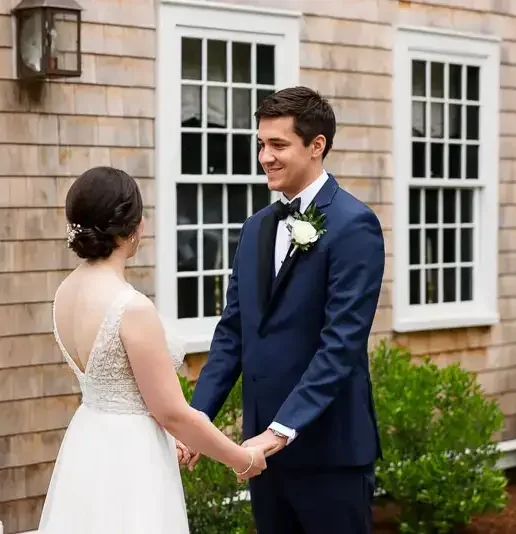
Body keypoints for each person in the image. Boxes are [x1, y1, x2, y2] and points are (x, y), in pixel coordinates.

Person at [180, 86, 385, 533]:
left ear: (317, 146)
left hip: (329, 453)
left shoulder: (355, 225)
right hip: (261, 457)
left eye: (278, 144)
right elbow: (233, 331)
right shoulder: (255, 229)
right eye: (260, 143)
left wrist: (281, 430)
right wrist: (196, 420)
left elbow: (341, 344)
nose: (265, 156)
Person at [38, 166, 272, 534]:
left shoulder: (64, 292)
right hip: (132, 456)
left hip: (88, 442)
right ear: (135, 227)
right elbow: (173, 414)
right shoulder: (130, 308)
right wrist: (242, 458)